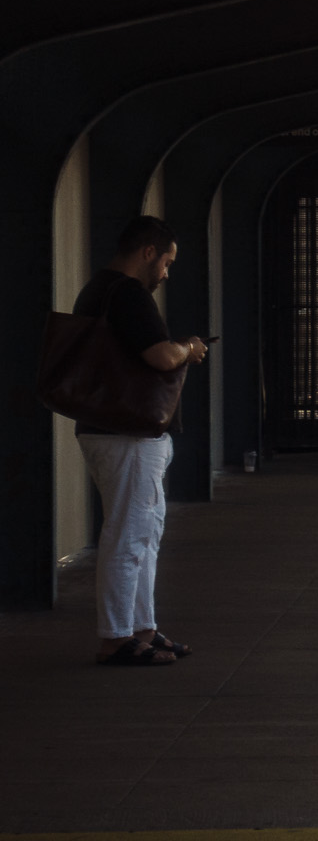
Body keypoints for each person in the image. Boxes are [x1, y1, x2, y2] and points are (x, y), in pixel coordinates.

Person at [74, 216, 208, 667]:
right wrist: (189, 347)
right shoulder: (127, 294)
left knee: (144, 534)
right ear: (148, 252)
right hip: (126, 433)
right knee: (129, 535)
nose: (167, 272)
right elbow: (159, 354)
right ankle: (116, 637)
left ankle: (141, 628)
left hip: (110, 428)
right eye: (167, 261)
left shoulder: (97, 290)